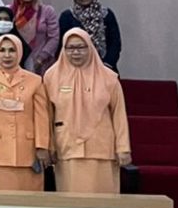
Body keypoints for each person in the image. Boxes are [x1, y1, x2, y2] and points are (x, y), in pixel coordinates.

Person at [44, 29, 131, 194]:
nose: (76, 52)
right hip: (67, 149)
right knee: (71, 202)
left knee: (102, 202)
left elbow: (119, 115)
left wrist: (123, 148)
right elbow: (47, 115)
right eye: (70, 48)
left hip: (101, 149)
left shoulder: (109, 77)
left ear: (90, 47)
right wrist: (49, 146)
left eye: (81, 47)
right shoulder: (51, 76)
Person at [0, 33, 51, 191]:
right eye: (2, 50)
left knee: (27, 199)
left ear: (20, 52)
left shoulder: (35, 80)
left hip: (27, 151)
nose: (7, 55)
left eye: (12, 50)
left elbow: (41, 117)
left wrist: (42, 146)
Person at [58, 0, 121, 70]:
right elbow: (62, 44)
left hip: (105, 67)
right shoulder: (67, 16)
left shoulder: (106, 14)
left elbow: (115, 42)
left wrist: (107, 64)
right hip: (75, 68)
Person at [10, 0, 60, 73]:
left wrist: (41, 58)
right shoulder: (10, 11)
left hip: (41, 63)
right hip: (14, 61)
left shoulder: (47, 11)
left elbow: (54, 37)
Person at [0, 7, 32, 71]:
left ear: (12, 22)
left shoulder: (23, 47)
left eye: (6, 19)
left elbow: (30, 71)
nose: (3, 22)